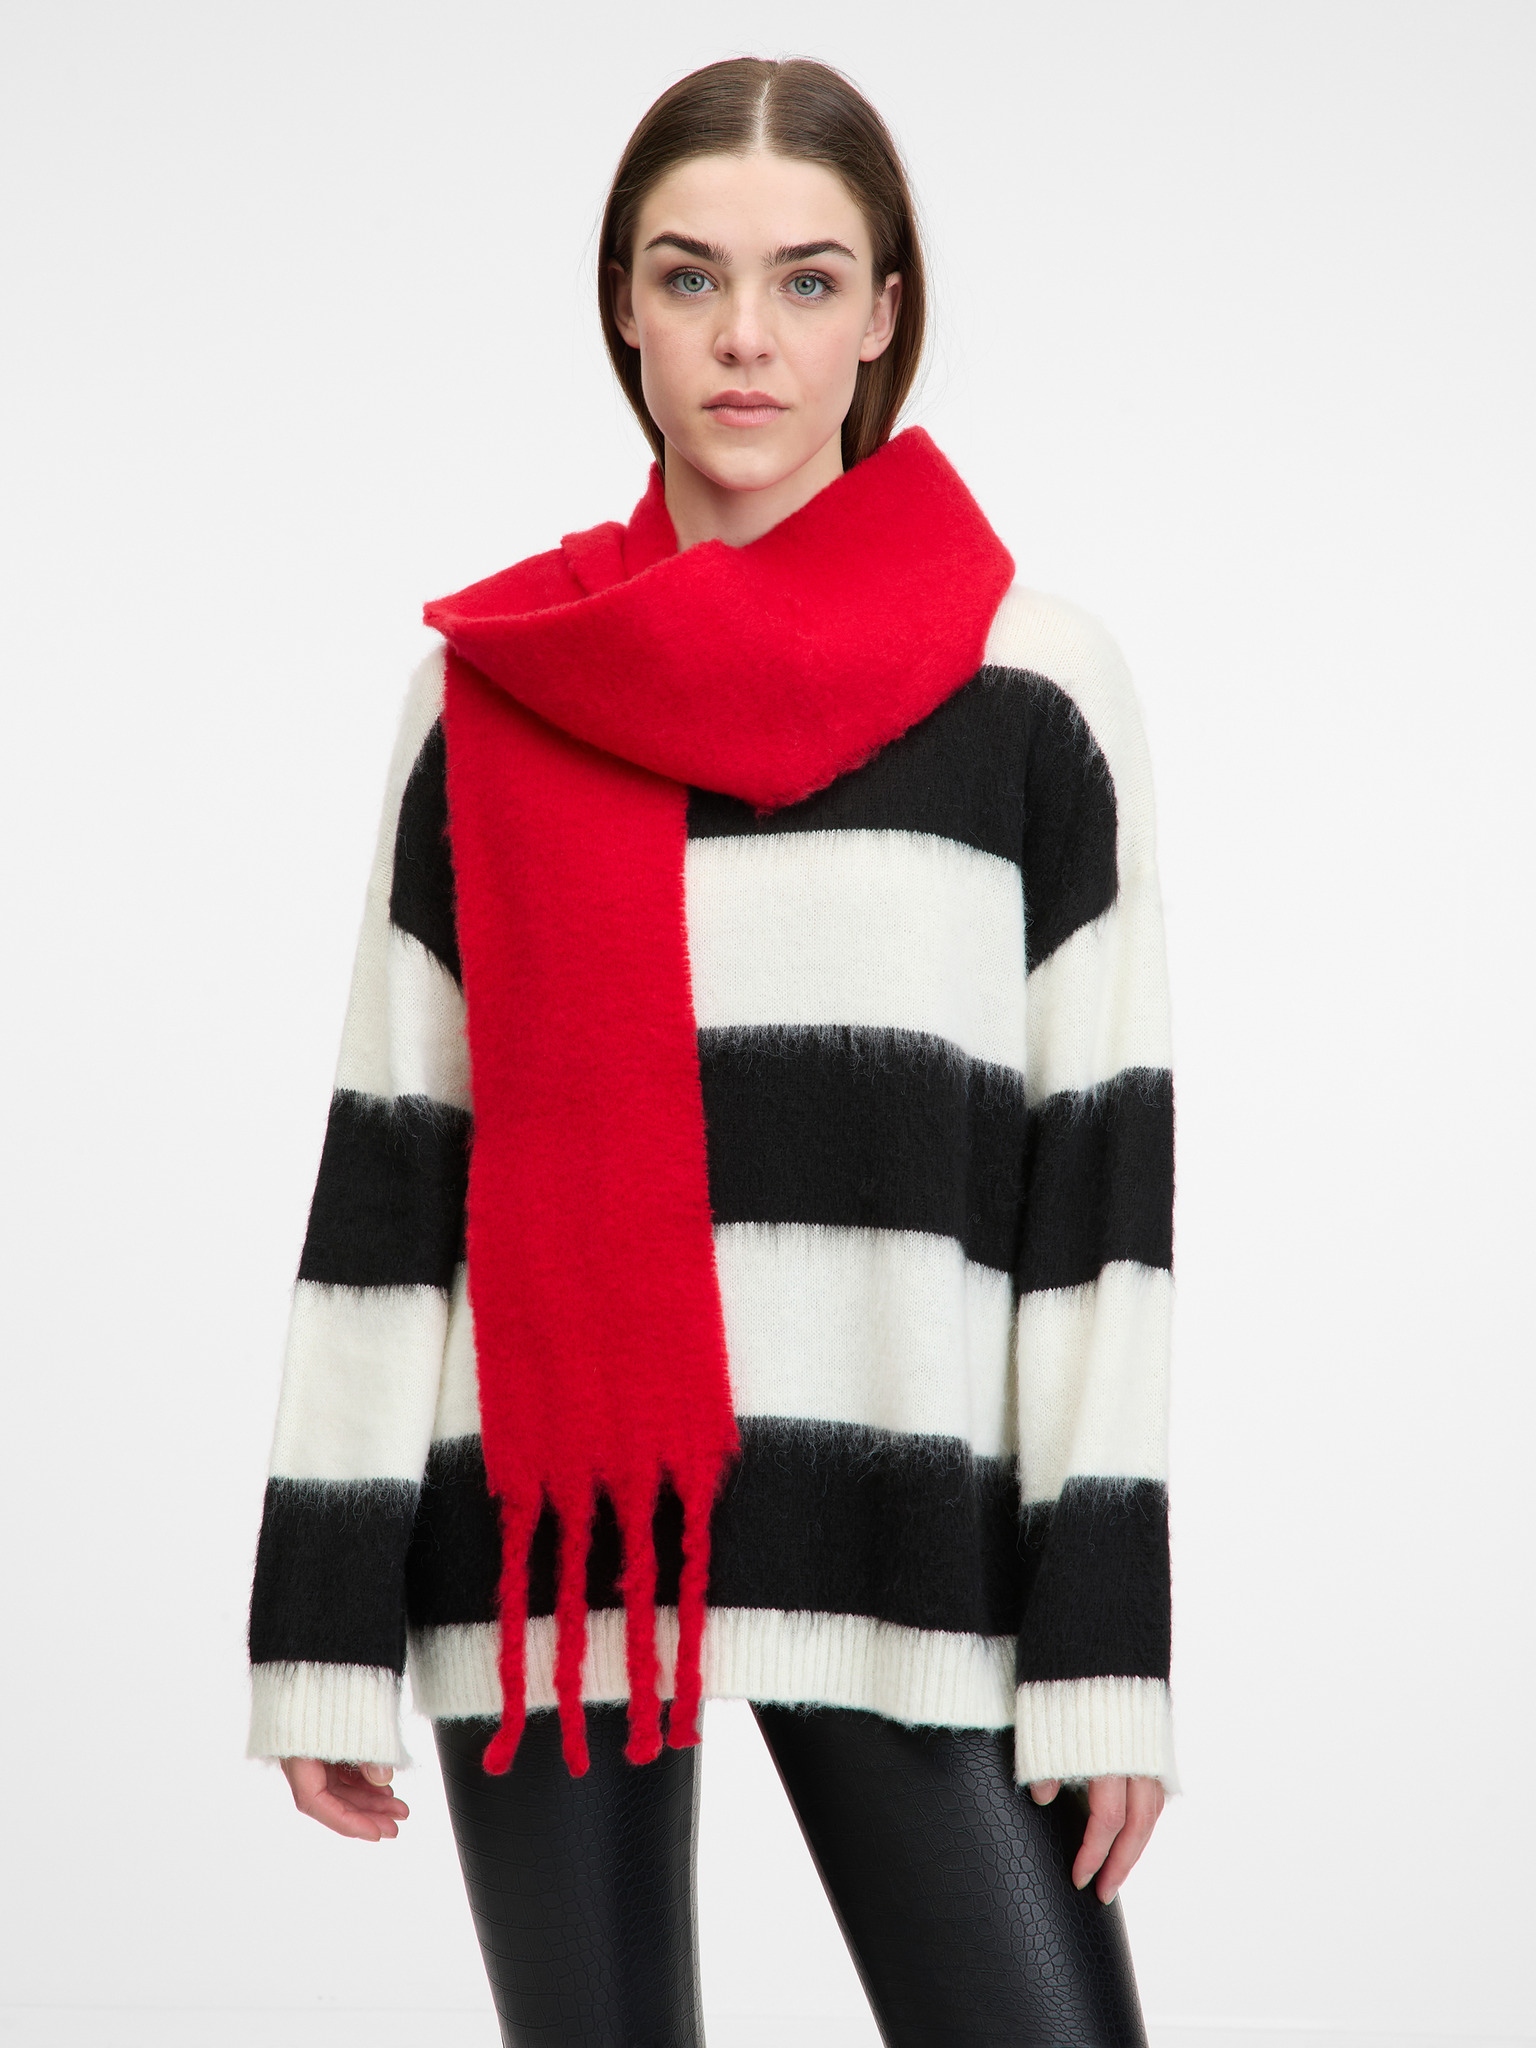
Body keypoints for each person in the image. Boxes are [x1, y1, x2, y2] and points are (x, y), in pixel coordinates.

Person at [246, 53, 1178, 2048]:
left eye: (807, 279)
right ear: (626, 309)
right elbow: (393, 1163)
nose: (747, 336)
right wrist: (321, 1618)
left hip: (912, 1538)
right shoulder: (493, 693)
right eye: (691, 277)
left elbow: (1098, 1193)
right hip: (554, 1548)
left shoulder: (1030, 685)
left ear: (885, 313)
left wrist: (1104, 1645)